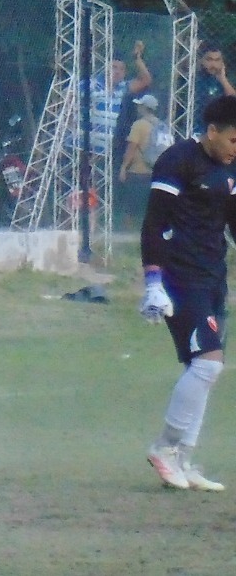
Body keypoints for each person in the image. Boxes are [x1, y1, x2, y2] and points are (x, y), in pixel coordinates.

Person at [139, 94, 236, 493]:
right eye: (232, 140)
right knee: (208, 364)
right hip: (181, 277)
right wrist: (153, 282)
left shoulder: (229, 169)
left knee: (203, 370)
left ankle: (184, 459)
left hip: (213, 275)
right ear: (211, 131)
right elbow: (154, 223)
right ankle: (164, 448)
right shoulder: (177, 160)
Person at [90, 40, 152, 157]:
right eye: (114, 67)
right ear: (106, 68)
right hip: (87, 149)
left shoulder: (123, 88)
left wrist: (137, 58)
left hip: (107, 152)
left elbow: (146, 80)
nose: (117, 72)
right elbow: (68, 100)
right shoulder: (91, 85)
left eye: (121, 69)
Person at [118, 93, 162, 229]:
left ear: (144, 108)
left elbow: (131, 148)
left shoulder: (139, 125)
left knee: (130, 208)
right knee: (151, 208)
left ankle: (127, 233)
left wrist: (124, 167)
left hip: (138, 171)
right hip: (156, 172)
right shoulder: (162, 125)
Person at [193, 41, 236, 136]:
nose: (213, 64)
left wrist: (223, 79)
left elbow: (233, 100)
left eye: (217, 60)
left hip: (217, 129)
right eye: (209, 59)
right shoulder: (193, 79)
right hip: (195, 127)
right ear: (201, 60)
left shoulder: (223, 82)